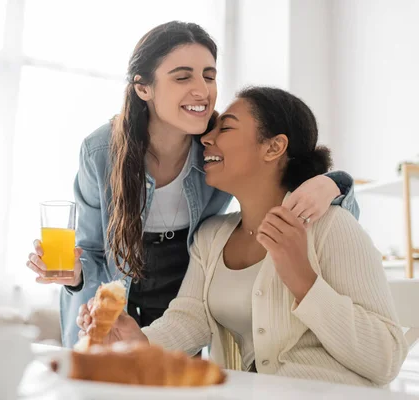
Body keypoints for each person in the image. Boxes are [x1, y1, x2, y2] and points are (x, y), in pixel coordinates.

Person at [26, 21, 359, 347]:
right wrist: (76, 273)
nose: (202, 90)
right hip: (112, 311)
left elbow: (285, 175)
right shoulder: (100, 152)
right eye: (182, 77)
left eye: (209, 76)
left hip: (179, 312)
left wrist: (333, 184)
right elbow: (92, 252)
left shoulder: (218, 147)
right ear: (144, 88)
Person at [76, 86, 407, 387]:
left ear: (274, 147)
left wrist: (303, 280)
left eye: (227, 128)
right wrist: (140, 341)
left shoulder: (333, 227)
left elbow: (386, 359)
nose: (206, 138)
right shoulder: (211, 236)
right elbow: (189, 319)